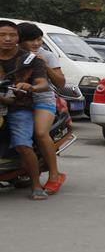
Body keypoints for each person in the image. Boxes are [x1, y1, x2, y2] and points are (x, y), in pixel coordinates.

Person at [0, 20, 51, 200]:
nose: (7, 39)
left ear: (18, 38)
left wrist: (32, 88)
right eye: (2, 35)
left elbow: (42, 83)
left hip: (18, 106)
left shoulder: (30, 59)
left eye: (12, 35)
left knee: (22, 143)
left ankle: (36, 185)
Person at [16, 23, 67, 194]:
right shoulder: (14, 55)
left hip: (42, 100)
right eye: (31, 40)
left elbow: (60, 83)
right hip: (15, 100)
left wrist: (44, 66)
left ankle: (55, 174)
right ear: (20, 41)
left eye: (39, 40)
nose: (37, 44)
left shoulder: (48, 55)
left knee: (40, 133)